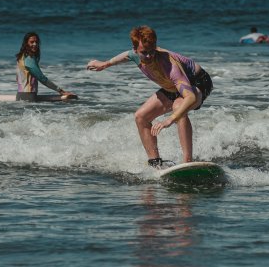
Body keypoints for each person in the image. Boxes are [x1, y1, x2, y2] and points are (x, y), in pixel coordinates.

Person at [86, 25, 213, 167]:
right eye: (144, 52)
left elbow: (190, 98)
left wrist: (170, 120)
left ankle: (188, 162)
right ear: (136, 50)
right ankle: (155, 163)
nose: (149, 56)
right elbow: (126, 55)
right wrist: (105, 64)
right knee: (141, 117)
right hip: (170, 87)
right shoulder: (134, 54)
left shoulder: (169, 65)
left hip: (198, 82)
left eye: (152, 51)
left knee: (179, 107)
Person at [16, 32, 76, 101]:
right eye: (32, 42)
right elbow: (42, 78)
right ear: (26, 43)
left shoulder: (21, 57)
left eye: (36, 42)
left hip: (20, 95)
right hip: (28, 96)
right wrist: (61, 91)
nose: (35, 44)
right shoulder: (29, 59)